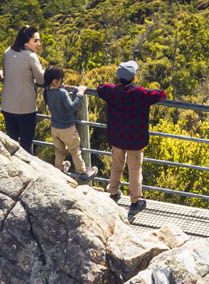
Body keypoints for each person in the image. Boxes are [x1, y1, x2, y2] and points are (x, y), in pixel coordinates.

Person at [96, 60, 167, 209]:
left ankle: (113, 192)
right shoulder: (141, 94)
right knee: (134, 170)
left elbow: (100, 87)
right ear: (134, 78)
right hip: (135, 139)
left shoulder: (111, 91)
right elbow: (161, 94)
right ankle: (135, 200)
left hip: (116, 137)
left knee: (116, 165)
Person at [43, 66, 97, 181]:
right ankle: (83, 173)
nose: (64, 82)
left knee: (59, 150)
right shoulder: (62, 92)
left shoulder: (46, 91)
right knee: (75, 151)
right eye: (62, 80)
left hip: (55, 128)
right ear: (55, 81)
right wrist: (80, 93)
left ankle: (59, 168)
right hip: (67, 128)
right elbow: (72, 106)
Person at [1, 25, 45, 153]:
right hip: (26, 108)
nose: (39, 44)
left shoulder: (7, 52)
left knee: (11, 144)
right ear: (26, 42)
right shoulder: (30, 56)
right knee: (26, 146)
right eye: (35, 41)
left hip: (7, 105)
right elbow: (41, 79)